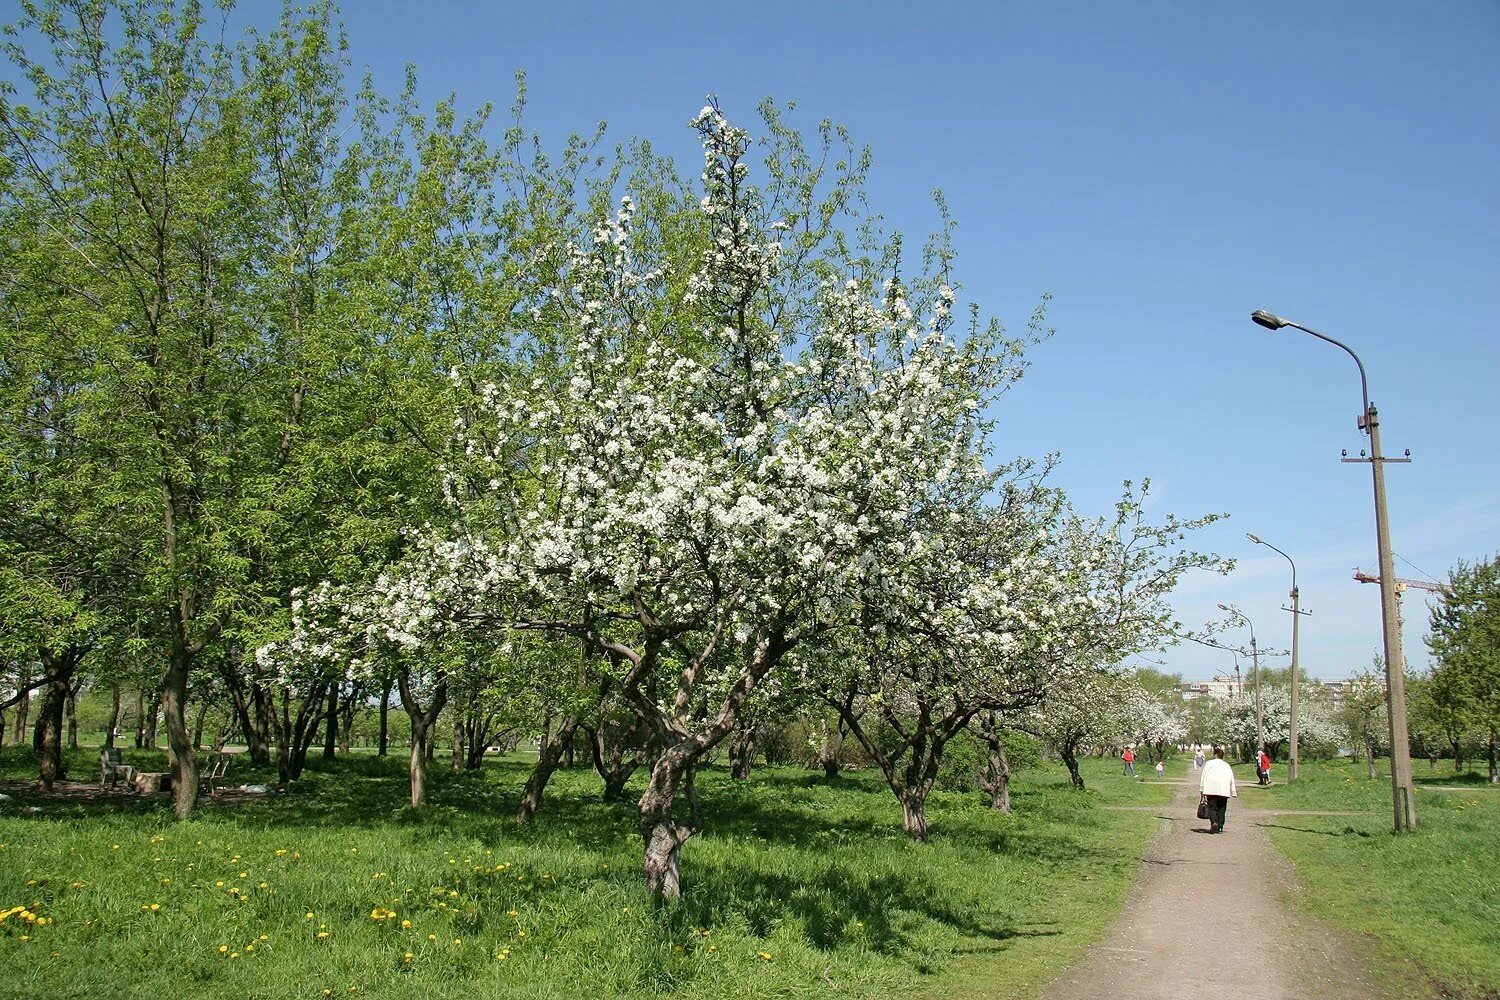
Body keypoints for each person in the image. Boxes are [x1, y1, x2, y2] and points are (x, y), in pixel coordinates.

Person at [1198, 747, 1237, 833]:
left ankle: (1214, 822)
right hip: (1224, 789)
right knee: (1222, 808)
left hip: (1210, 788)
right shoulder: (1227, 765)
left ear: (1215, 754)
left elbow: (1204, 776)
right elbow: (1231, 778)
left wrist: (1202, 789)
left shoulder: (1209, 763)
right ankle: (1220, 826)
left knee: (1212, 807)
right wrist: (1233, 791)